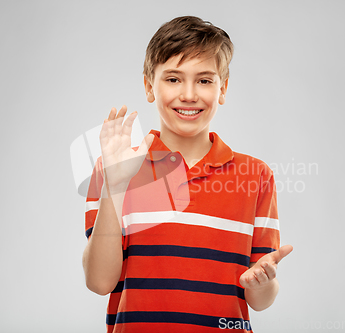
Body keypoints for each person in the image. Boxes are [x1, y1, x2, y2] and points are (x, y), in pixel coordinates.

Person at [82, 16, 293, 333]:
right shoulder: (115, 168)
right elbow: (99, 282)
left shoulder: (255, 175)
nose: (189, 94)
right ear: (148, 86)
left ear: (222, 88)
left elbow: (261, 300)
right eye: (173, 79)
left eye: (205, 81)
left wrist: (262, 283)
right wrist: (115, 185)